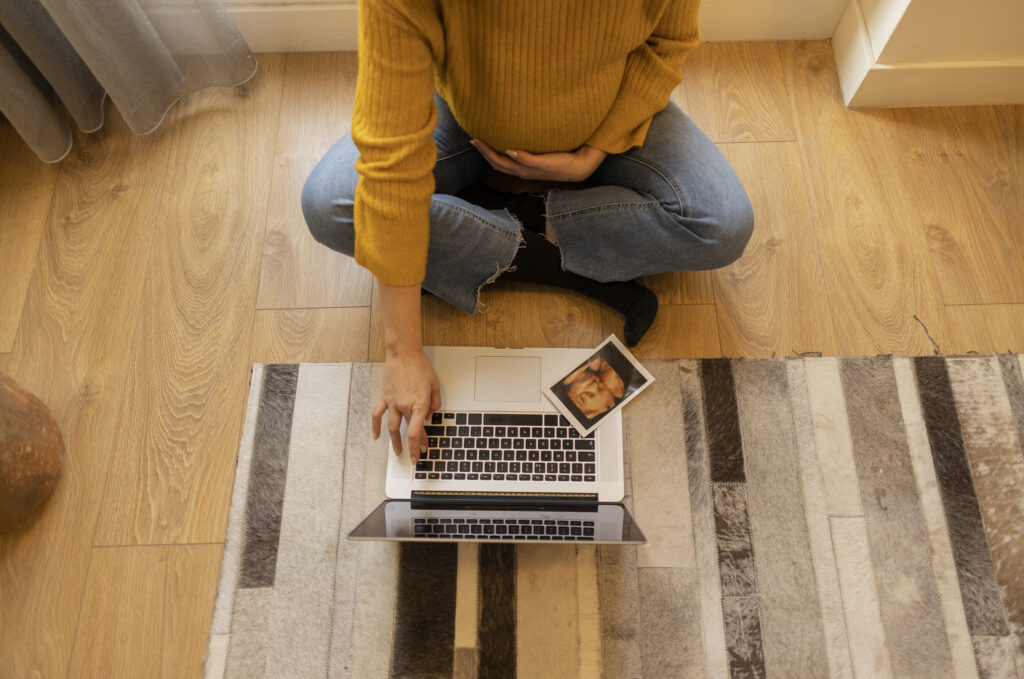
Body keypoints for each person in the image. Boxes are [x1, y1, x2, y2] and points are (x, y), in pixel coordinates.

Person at [301, 0, 754, 461]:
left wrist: (594, 152)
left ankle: (480, 220)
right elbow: (389, 156)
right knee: (330, 205)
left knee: (722, 224)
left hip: (607, 110)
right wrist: (401, 350)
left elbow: (667, 43)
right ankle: (547, 239)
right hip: (466, 118)